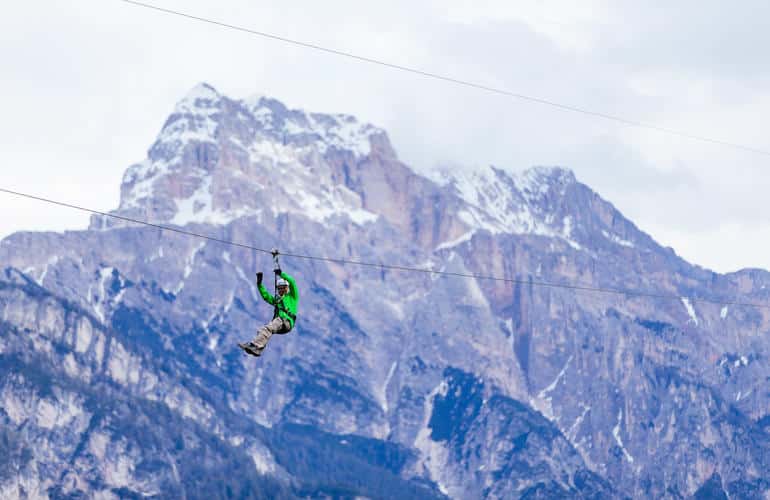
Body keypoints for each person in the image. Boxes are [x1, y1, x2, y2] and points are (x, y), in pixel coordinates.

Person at [239, 267, 298, 357]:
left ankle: (256, 346)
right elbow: (266, 297)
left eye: (283, 288)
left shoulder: (292, 297)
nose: (281, 290)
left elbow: (292, 282)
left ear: (287, 288)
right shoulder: (277, 300)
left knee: (268, 329)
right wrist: (259, 284)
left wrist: (281, 274)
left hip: (286, 321)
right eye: (279, 288)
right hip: (281, 324)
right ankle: (257, 347)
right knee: (263, 330)